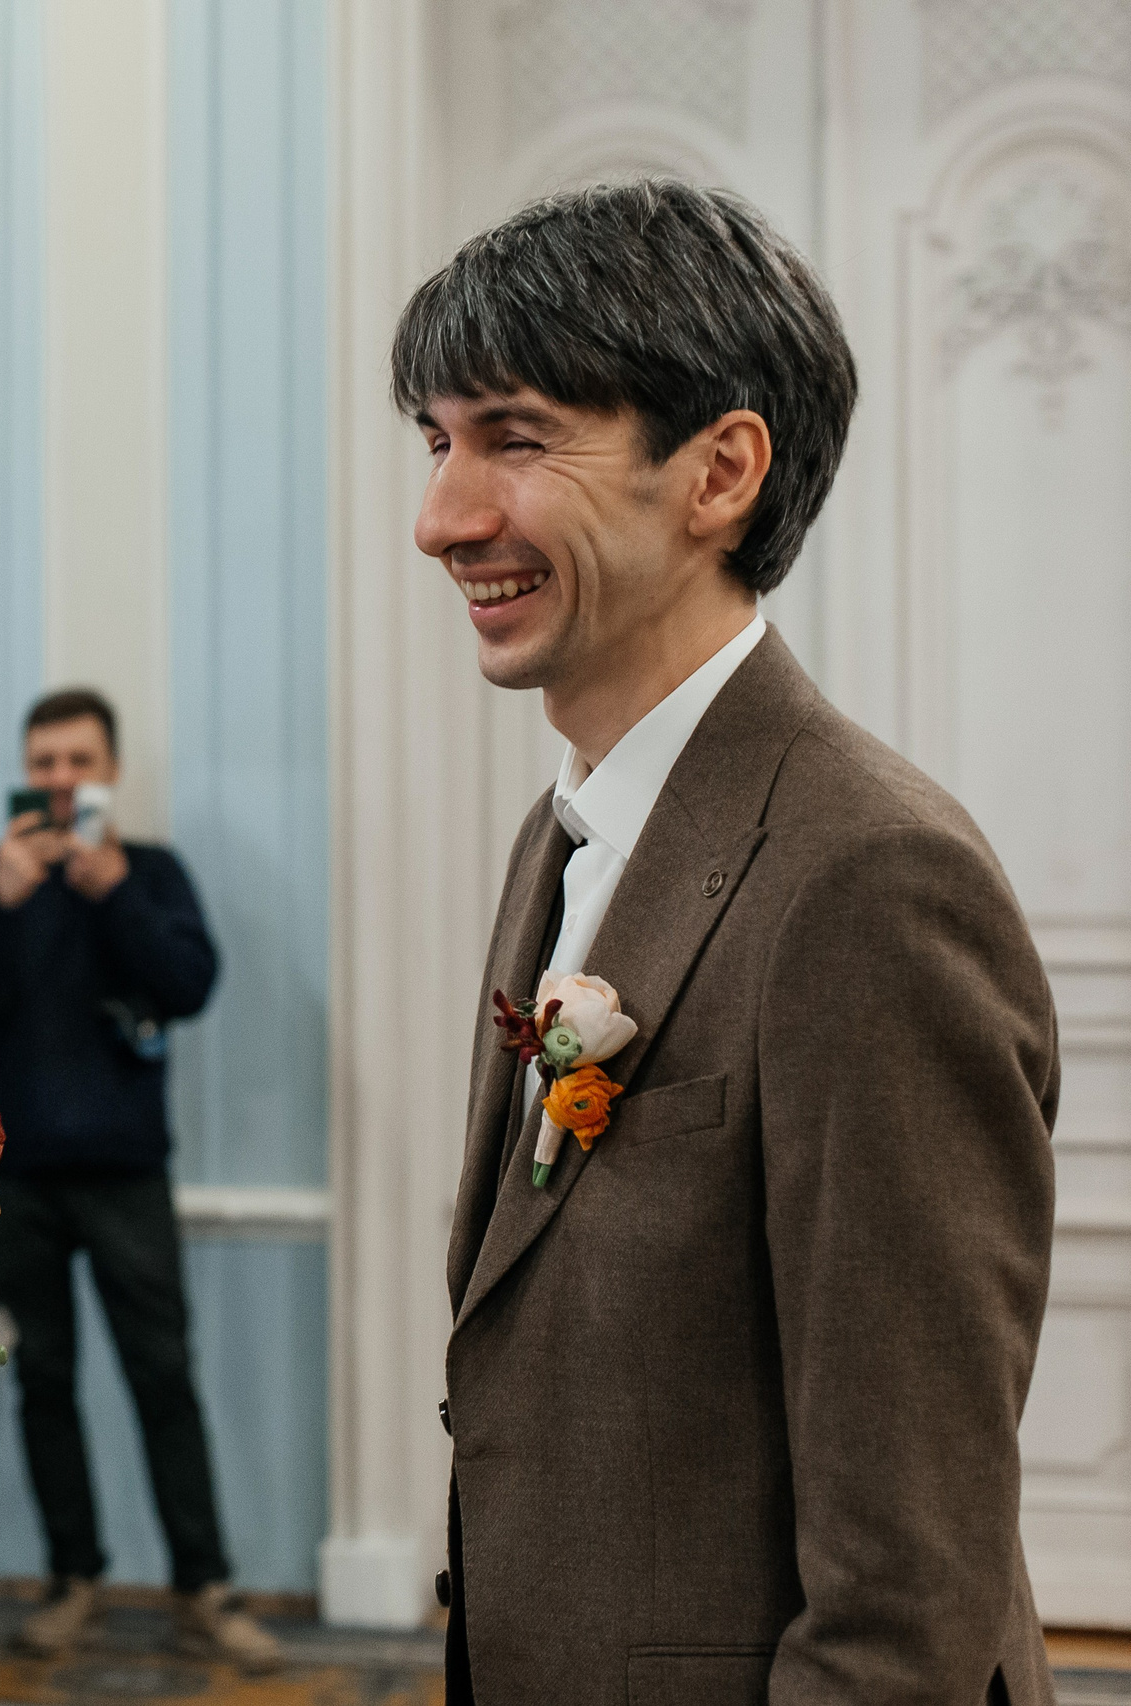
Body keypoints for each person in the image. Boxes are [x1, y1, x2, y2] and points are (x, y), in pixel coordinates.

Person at [402, 180, 1057, 1705]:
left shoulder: (870, 878)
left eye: (513, 434)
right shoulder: (566, 831)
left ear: (720, 472)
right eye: (436, 441)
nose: (440, 517)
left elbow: (911, 1578)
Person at [0, 688, 278, 1673]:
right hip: (15, 1176)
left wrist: (112, 887)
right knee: (45, 1381)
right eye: (43, 762)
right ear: (25, 772)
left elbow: (190, 984)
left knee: (163, 1376)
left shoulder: (150, 871)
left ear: (109, 772)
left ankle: (203, 1587)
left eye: (77, 761)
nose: (59, 779)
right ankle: (71, 1577)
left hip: (126, 1173)